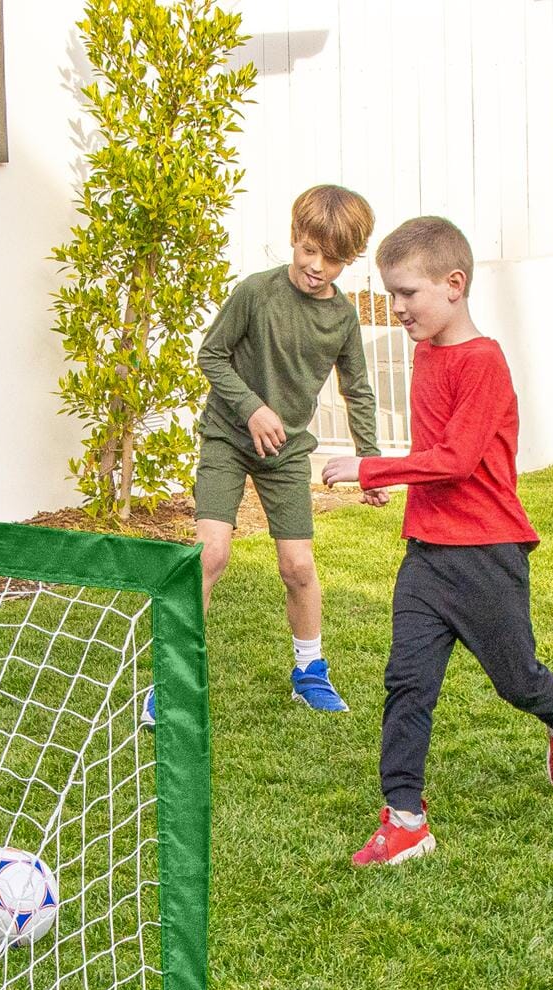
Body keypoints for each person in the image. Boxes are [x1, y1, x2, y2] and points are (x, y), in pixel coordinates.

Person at [322, 215, 553, 866]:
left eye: (407, 294)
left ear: (453, 283)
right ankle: (405, 818)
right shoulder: (425, 352)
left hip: (488, 553)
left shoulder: (484, 361)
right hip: (427, 554)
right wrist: (392, 481)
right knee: (407, 681)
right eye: (391, 295)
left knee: (515, 679)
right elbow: (433, 453)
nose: (398, 308)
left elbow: (458, 459)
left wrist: (372, 467)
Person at [191, 183, 389, 715]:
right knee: (210, 554)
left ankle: (309, 671)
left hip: (286, 452)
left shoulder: (342, 318)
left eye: (334, 258)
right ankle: (175, 677)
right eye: (309, 250)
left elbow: (358, 388)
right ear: (294, 238)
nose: (317, 266)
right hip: (228, 439)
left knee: (298, 566)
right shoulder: (256, 292)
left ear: (350, 259)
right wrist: (252, 408)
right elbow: (211, 355)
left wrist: (368, 462)